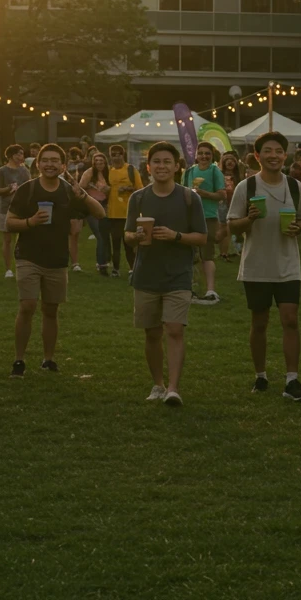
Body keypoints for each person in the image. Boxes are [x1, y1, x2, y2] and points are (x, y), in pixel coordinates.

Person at [226, 131, 301, 402]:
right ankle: (261, 376)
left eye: (278, 151)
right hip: (256, 265)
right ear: (257, 156)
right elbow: (232, 224)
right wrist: (249, 219)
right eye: (268, 151)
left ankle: (292, 380)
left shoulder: (294, 186)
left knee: (290, 319)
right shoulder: (247, 187)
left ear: (284, 156)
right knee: (260, 322)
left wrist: (300, 228)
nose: (273, 155)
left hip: (287, 265)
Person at [6, 144, 105, 376]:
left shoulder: (68, 191)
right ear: (37, 164)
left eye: (55, 161)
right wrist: (30, 222)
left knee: (50, 310)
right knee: (27, 306)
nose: (50, 164)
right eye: (45, 160)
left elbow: (100, 213)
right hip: (28, 256)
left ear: (63, 165)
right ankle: (19, 360)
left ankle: (48, 359)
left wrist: (84, 195)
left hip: (57, 259)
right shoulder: (27, 190)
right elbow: (10, 222)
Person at [125, 142, 208, 406]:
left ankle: (173, 388)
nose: (161, 166)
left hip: (178, 276)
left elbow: (203, 238)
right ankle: (158, 384)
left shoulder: (189, 197)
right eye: (156, 162)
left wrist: (176, 236)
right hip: (146, 276)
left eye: (167, 162)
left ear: (176, 167)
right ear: (148, 167)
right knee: (151, 334)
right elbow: (126, 235)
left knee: (174, 329)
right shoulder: (138, 198)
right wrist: (135, 237)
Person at [182, 141, 226, 304]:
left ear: (212, 155)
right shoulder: (188, 173)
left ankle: (211, 290)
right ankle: (190, 289)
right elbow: (182, 192)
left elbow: (222, 195)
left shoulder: (215, 171)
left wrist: (203, 193)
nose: (204, 156)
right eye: (201, 153)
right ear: (196, 155)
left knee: (207, 255)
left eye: (207, 153)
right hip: (189, 218)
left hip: (208, 217)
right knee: (189, 256)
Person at [0, 145, 30, 279]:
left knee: (24, 240)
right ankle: (8, 269)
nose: (22, 157)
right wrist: (8, 189)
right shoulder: (2, 171)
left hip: (22, 209)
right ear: (12, 156)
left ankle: (23, 266)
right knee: (7, 240)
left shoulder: (25, 171)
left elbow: (30, 189)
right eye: (19, 154)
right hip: (6, 209)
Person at [105, 144, 141, 278]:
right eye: (113, 154)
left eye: (118, 154)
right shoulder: (108, 170)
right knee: (115, 243)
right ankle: (116, 269)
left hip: (128, 213)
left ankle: (132, 268)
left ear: (123, 155)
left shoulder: (131, 170)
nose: (116, 157)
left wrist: (127, 189)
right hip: (113, 214)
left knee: (129, 244)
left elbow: (140, 189)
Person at [79, 150, 112, 275]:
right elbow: (80, 187)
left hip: (104, 206)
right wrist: (91, 187)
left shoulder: (108, 173)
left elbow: (110, 190)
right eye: (96, 161)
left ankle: (105, 260)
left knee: (104, 235)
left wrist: (108, 189)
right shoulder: (89, 173)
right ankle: (101, 265)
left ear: (105, 162)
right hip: (92, 206)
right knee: (99, 235)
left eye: (101, 161)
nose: (99, 163)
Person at [65, 148, 86, 272]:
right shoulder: (65, 169)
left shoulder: (82, 167)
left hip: (78, 202)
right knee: (72, 234)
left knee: (76, 234)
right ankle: (73, 262)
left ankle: (74, 262)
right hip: (67, 203)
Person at [218, 151, 242, 258]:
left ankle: (235, 249)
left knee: (235, 228)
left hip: (235, 203)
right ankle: (223, 251)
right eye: (227, 160)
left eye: (232, 160)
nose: (230, 162)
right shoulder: (219, 175)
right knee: (224, 228)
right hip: (222, 204)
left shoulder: (238, 176)